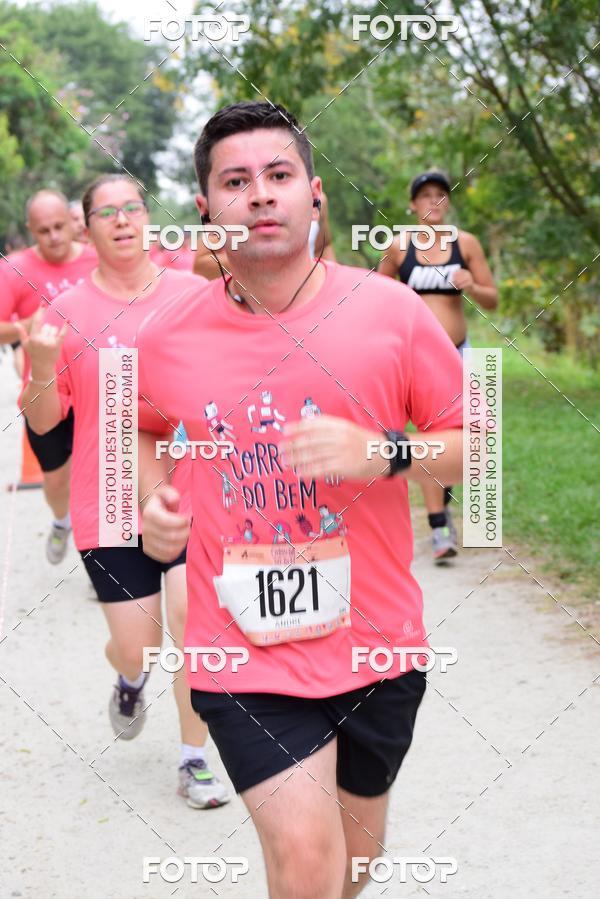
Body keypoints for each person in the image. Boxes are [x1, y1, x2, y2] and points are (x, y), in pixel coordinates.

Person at [136, 101, 463, 897]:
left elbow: (477, 446)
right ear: (207, 208)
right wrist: (153, 504)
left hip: (378, 646)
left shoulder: (391, 312)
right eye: (236, 180)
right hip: (240, 651)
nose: (260, 195)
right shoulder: (168, 334)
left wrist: (380, 452)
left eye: (278, 176)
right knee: (306, 860)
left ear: (314, 193)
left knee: (352, 866)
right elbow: (138, 430)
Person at [16, 174, 229, 811]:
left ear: (147, 217)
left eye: (132, 207)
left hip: (190, 483)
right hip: (108, 489)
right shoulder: (64, 314)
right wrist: (47, 366)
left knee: (195, 624)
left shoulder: (195, 295)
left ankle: (194, 760)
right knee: (141, 641)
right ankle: (131, 676)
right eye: (106, 213)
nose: (122, 220)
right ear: (89, 229)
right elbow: (46, 418)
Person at [378, 170, 498, 563]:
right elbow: (375, 297)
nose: (433, 201)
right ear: (412, 204)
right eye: (425, 195)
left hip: (459, 352)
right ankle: (439, 527)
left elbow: (493, 298)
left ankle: (452, 509)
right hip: (417, 357)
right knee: (427, 435)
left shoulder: (467, 244)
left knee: (468, 438)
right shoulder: (398, 246)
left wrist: (472, 286)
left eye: (440, 195)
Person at [0, 189, 97, 562]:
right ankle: (61, 521)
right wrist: (28, 325)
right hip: (45, 391)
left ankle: (109, 562)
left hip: (99, 387)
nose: (55, 237)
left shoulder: (97, 259)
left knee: (108, 476)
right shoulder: (13, 269)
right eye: (44, 231)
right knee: (57, 480)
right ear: (30, 230)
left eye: (60, 226)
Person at [192, 186, 335, 280]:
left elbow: (324, 247)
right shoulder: (235, 201)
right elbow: (201, 265)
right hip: (249, 304)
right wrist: (264, 263)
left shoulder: (317, 198)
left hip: (304, 302)